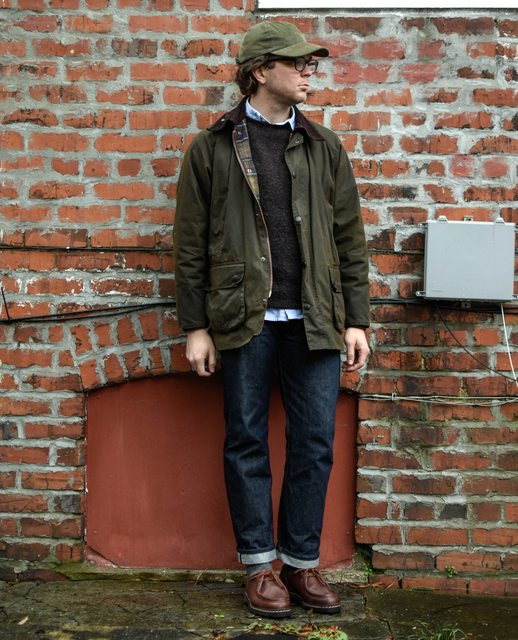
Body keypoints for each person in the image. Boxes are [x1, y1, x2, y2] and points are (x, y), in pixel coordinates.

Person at [173, 20, 370, 619]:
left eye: (313, 64)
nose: (310, 72)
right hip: (244, 319)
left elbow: (349, 237)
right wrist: (196, 326)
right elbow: (189, 245)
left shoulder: (323, 146)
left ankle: (301, 564)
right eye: (297, 63)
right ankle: (260, 568)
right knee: (246, 442)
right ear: (260, 71)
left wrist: (356, 319)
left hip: (315, 317)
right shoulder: (212, 148)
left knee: (314, 443)